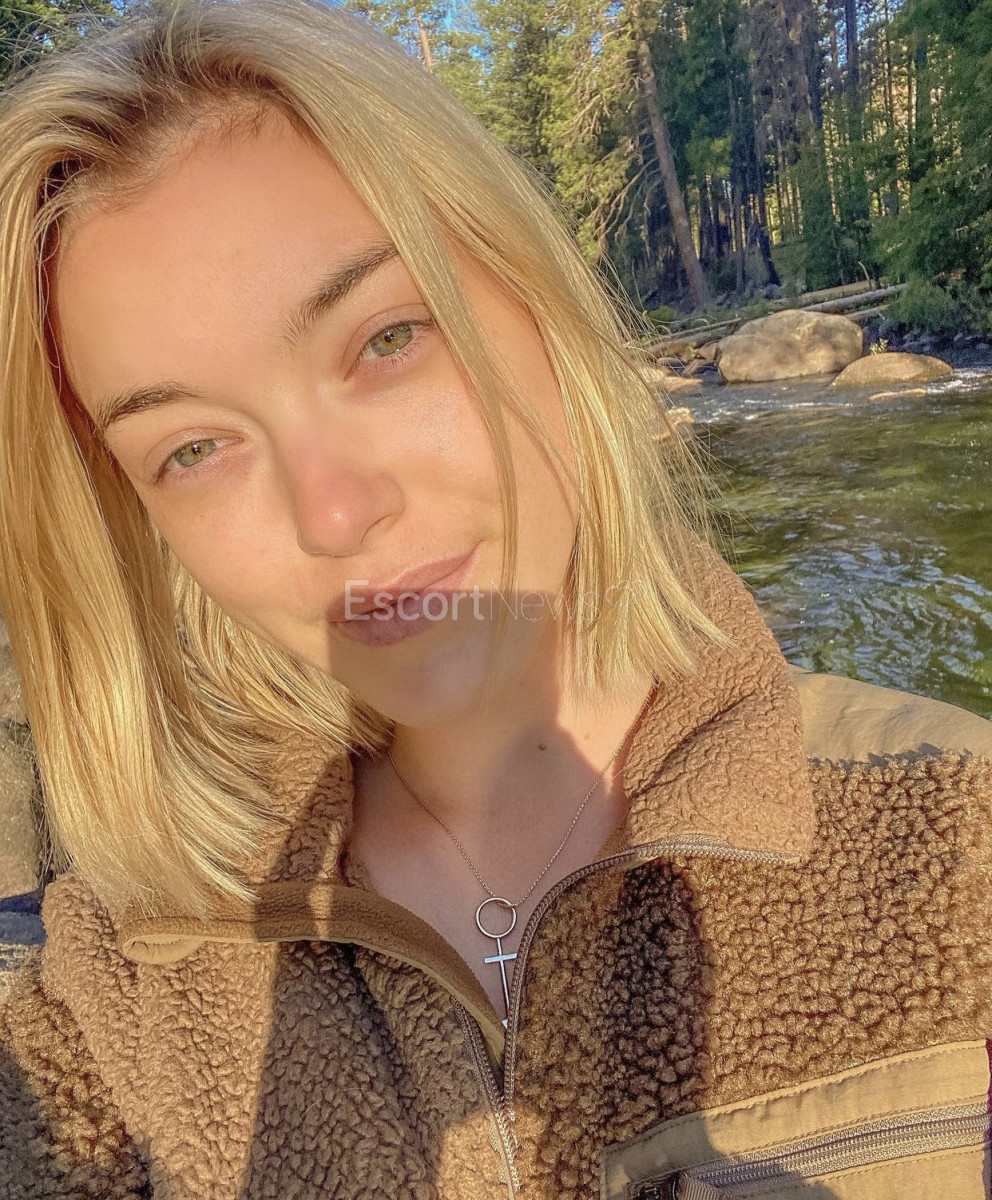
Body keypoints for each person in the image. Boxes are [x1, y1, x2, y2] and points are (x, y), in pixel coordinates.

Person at [0, 1, 990, 1196]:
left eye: (385, 341)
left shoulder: (957, 831)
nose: (332, 513)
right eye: (194, 449)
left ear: (540, 301)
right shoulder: (117, 991)